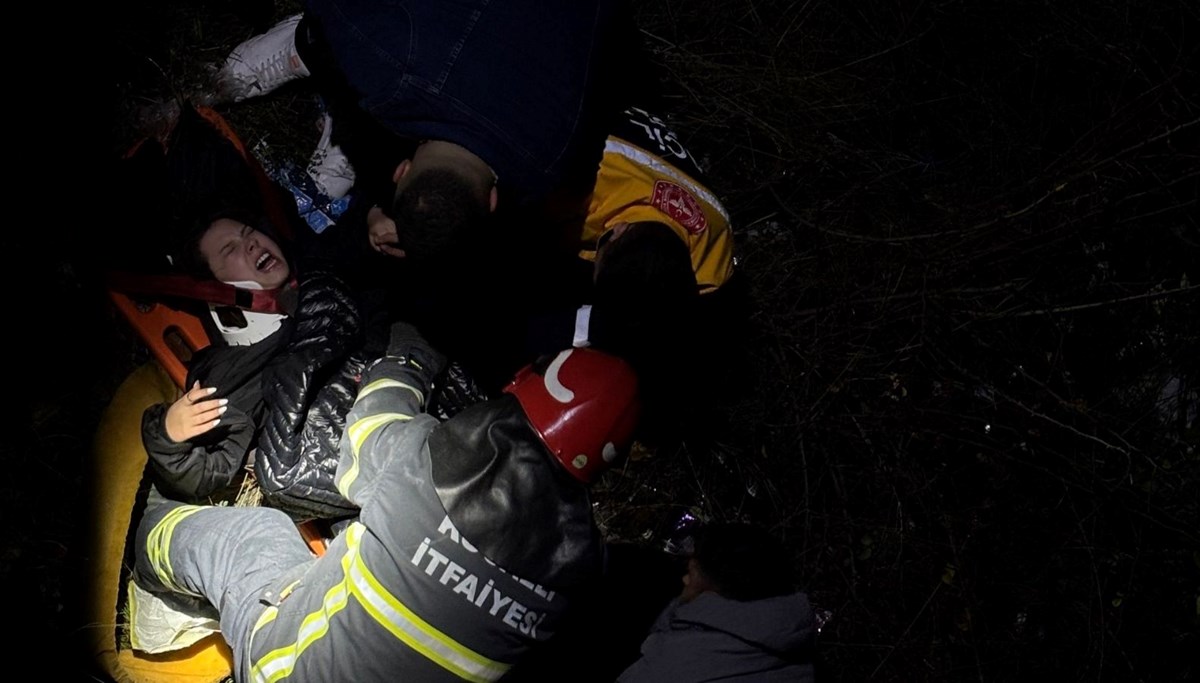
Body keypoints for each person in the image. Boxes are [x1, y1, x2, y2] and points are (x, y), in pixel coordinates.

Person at [131, 322, 643, 682]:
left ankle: (148, 569)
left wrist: (410, 352)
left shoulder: (426, 466)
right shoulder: (583, 569)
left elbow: (363, 442)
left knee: (257, 534)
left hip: (283, 674)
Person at [122, 102, 485, 521]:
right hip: (387, 451)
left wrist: (371, 227)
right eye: (230, 250)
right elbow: (209, 471)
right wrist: (168, 437)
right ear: (215, 288)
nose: (251, 244)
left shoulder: (314, 263)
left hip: (430, 381)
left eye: (248, 233)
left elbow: (356, 260)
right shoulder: (238, 362)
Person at [210, 1, 634, 263]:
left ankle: (340, 110)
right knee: (338, 39)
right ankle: (301, 42)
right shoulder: (396, 72)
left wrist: (384, 209)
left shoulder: (550, 165)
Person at [616, 522, 819, 682]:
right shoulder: (793, 650)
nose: (684, 580)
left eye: (691, 573)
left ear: (713, 589)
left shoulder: (671, 667)